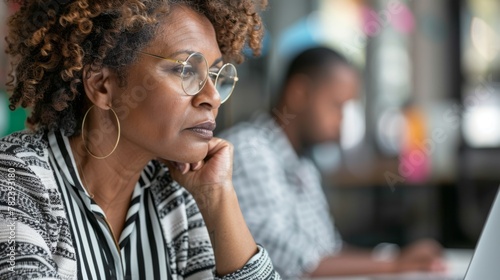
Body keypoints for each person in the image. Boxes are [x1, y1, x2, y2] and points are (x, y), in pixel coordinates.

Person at [0, 0, 281, 279]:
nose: (213, 97)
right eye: (185, 70)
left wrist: (217, 196)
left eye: (216, 75)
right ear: (102, 85)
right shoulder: (15, 177)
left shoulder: (173, 196)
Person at [221, 47, 445, 279]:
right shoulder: (249, 149)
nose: (342, 120)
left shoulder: (302, 162)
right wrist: (394, 263)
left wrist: (393, 258)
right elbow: (292, 262)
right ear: (300, 93)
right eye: (337, 105)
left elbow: (329, 251)